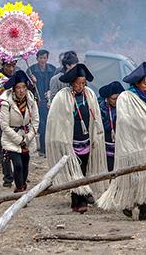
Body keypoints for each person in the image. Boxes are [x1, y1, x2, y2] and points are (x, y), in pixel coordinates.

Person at [97, 62, 146, 220]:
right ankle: (127, 204)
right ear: (136, 82)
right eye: (145, 82)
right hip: (133, 144)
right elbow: (127, 121)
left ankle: (144, 211)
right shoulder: (126, 98)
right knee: (134, 178)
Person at [46, 63, 107, 214]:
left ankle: (83, 198)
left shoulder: (90, 94)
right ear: (72, 82)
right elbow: (55, 120)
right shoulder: (62, 97)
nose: (81, 86)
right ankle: (77, 202)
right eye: (78, 83)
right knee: (74, 172)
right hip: (70, 140)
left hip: (86, 139)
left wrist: (95, 136)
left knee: (83, 169)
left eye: (83, 83)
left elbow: (96, 116)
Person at [0, 71, 39, 193]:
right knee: (18, 165)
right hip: (11, 138)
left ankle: (22, 185)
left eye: (23, 87)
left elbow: (35, 121)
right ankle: (20, 190)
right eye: (18, 88)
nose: (21, 90)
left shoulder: (31, 100)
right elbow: (4, 125)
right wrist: (18, 139)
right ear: (13, 89)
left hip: (26, 136)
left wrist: (28, 137)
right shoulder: (6, 102)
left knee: (25, 164)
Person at [0, 59, 17, 187]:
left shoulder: (20, 78)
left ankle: (19, 175)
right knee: (4, 150)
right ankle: (8, 177)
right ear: (3, 66)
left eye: (13, 66)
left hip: (17, 120)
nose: (11, 69)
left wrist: (31, 84)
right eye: (8, 66)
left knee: (19, 149)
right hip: (2, 119)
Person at [26, 49, 56, 156]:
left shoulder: (52, 69)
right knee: (41, 125)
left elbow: (55, 83)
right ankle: (42, 149)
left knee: (50, 125)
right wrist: (31, 81)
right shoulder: (31, 70)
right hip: (37, 102)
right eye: (40, 58)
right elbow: (26, 87)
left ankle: (49, 148)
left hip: (49, 101)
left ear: (47, 58)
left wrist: (50, 92)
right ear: (37, 58)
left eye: (44, 58)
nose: (42, 60)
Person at [98, 81, 125, 172]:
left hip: (121, 141)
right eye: (113, 99)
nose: (116, 101)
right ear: (108, 98)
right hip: (107, 141)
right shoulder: (102, 108)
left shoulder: (124, 107)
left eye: (118, 98)